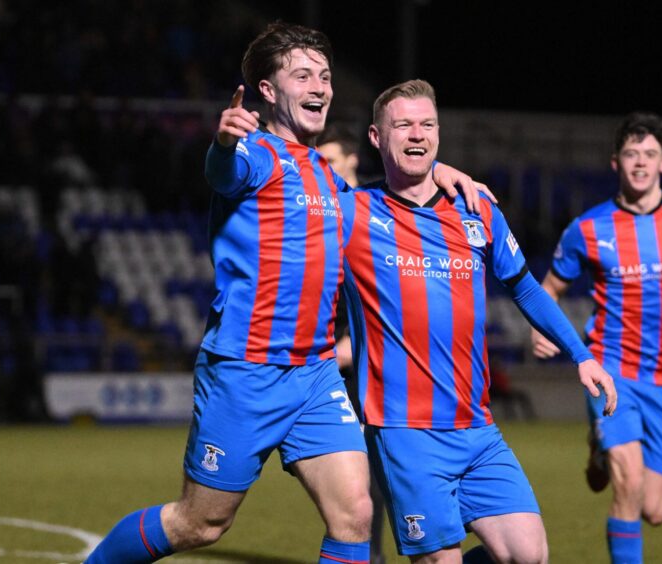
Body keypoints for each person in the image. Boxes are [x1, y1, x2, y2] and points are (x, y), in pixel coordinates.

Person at [86, 22, 488, 564]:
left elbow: (389, 202)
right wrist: (223, 142)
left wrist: (436, 172)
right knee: (200, 524)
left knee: (355, 513)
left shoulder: (325, 175)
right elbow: (223, 172)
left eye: (324, 75)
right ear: (268, 91)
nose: (320, 86)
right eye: (303, 76)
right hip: (246, 371)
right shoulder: (255, 155)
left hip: (315, 374)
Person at [339, 79, 618, 563]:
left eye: (427, 124)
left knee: (528, 555)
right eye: (403, 125)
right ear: (376, 137)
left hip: (476, 427)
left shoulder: (476, 207)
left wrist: (581, 355)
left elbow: (525, 286)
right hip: (405, 431)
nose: (417, 134)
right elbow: (287, 196)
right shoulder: (352, 212)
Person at [530, 112, 662, 564]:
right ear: (615, 162)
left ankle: (598, 451)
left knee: (654, 509)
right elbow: (548, 289)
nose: (640, 163)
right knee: (629, 483)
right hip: (610, 369)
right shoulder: (588, 228)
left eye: (649, 154)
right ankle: (609, 446)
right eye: (631, 154)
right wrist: (541, 328)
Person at [319, 122, 388, 564]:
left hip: (370, 360)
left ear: (352, 160)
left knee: (373, 468)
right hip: (329, 361)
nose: (323, 169)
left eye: (330, 161)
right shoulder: (318, 212)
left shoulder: (373, 208)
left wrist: (354, 341)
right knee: (353, 471)